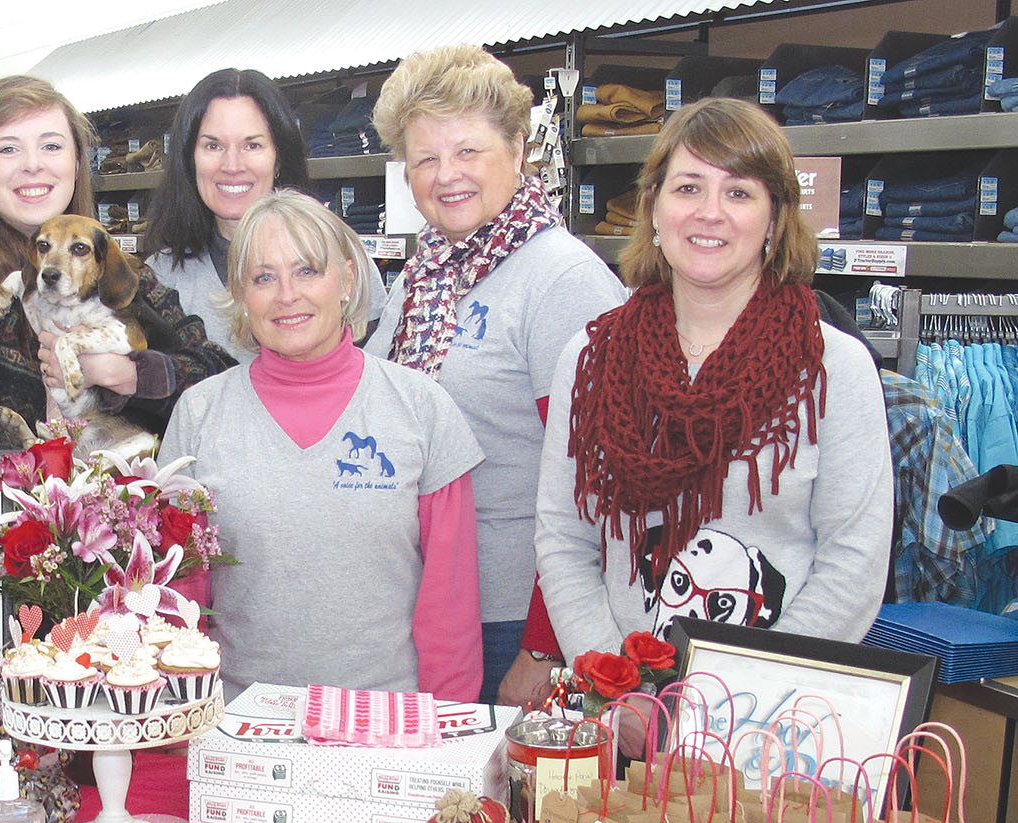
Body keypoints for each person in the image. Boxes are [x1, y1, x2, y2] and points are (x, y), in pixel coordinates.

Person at [534, 98, 892, 755]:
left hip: (776, 730)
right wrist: (616, 686)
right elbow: (563, 538)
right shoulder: (591, 360)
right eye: (688, 187)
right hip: (626, 725)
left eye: (739, 192)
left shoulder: (834, 369)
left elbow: (855, 561)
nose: (709, 212)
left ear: (775, 218)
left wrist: (748, 698)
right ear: (653, 207)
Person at [365, 45, 629, 707]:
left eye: (468, 151)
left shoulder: (562, 280)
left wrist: (544, 648)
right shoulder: (427, 275)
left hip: (512, 622)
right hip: (426, 606)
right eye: (425, 159)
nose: (446, 175)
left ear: (517, 149)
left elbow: (601, 482)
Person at [158, 190, 484, 700]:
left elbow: (451, 603)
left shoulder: (421, 408)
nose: (287, 295)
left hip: (385, 719)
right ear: (242, 295)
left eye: (307, 270)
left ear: (347, 280)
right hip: (236, 721)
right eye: (264, 277)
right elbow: (178, 602)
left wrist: (443, 724)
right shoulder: (199, 415)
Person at [0, 74, 234, 450]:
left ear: (77, 162)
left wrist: (129, 376)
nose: (33, 165)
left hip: (131, 480)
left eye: (51, 145)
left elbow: (220, 383)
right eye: (8, 149)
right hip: (21, 488)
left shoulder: (115, 266)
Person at [144, 68, 383, 360]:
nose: (232, 165)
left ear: (278, 156)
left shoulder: (341, 252)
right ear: (189, 158)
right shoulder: (161, 278)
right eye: (213, 145)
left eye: (252, 145)